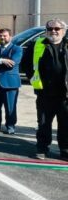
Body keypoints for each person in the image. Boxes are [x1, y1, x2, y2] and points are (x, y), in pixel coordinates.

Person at [30, 19, 68, 160]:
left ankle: (65, 150)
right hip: (45, 93)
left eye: (57, 29)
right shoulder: (38, 45)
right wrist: (34, 80)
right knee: (44, 123)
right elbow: (28, 64)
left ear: (63, 31)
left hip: (65, 94)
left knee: (65, 123)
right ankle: (42, 149)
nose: (53, 31)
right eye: (50, 29)